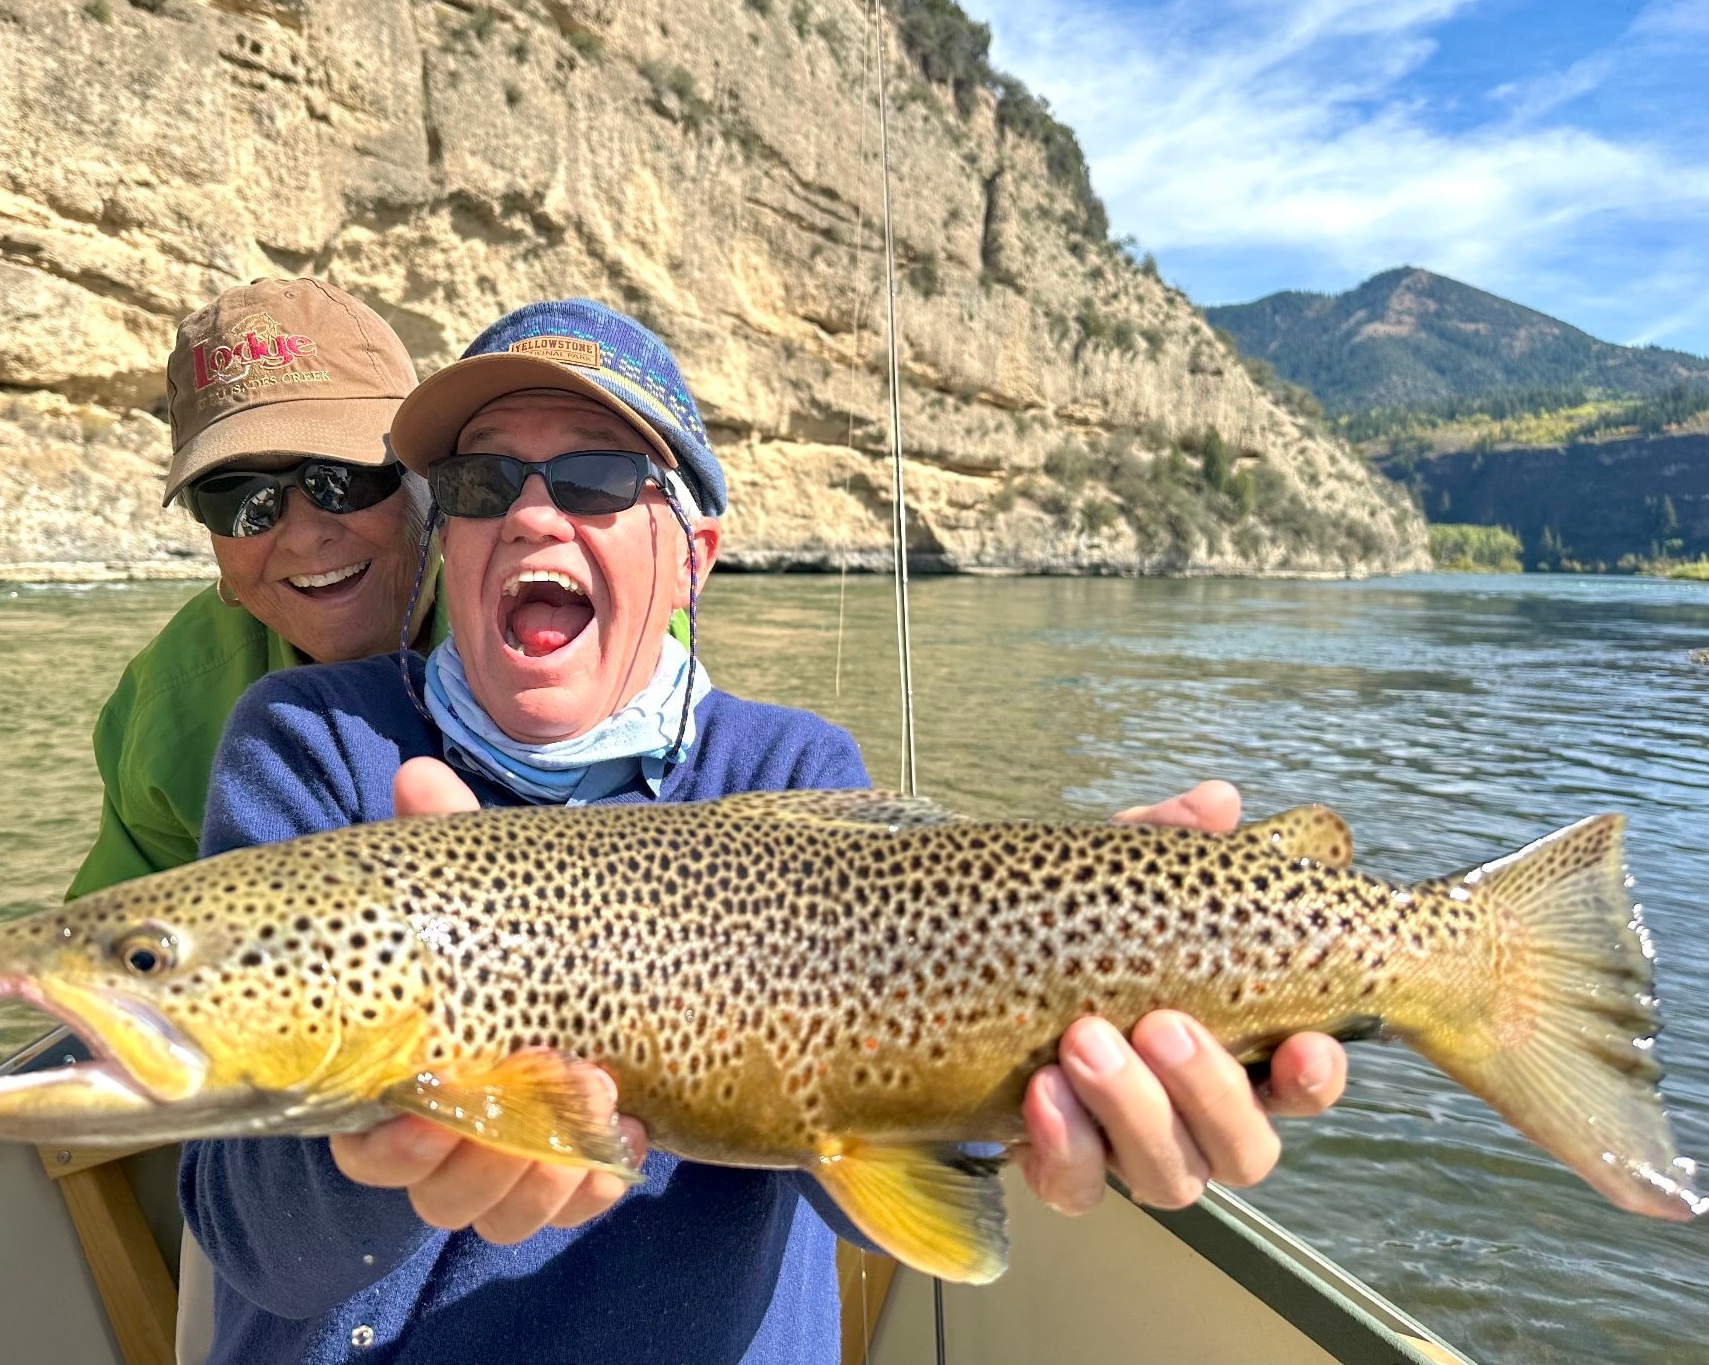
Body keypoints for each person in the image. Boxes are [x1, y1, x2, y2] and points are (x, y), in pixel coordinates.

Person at [181, 299, 1349, 1364]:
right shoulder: (314, 746)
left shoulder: (787, 772)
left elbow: (865, 1191)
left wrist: (1064, 980)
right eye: (483, 485)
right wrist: (379, 1147)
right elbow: (259, 1243)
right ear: (450, 539)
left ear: (693, 557)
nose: (531, 512)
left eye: (594, 480)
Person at [65, 278, 442, 899]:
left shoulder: (576, 617)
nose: (301, 538)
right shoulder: (167, 713)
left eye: (341, 479)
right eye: (240, 500)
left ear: (427, 481)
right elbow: (105, 956)